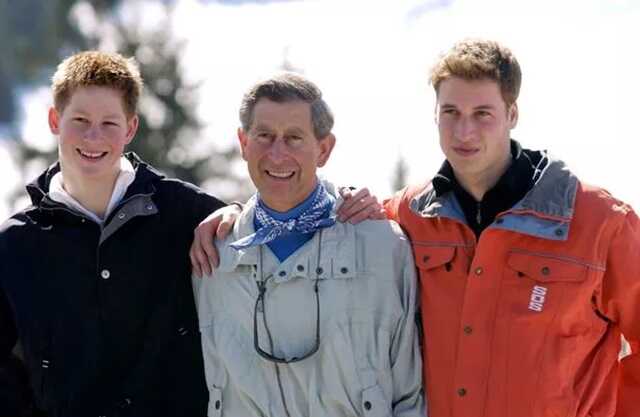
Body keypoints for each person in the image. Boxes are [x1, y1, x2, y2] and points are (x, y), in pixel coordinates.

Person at [190, 39, 640, 417]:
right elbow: (305, 207)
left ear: (512, 113)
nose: (464, 131)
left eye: (482, 112)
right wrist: (234, 214)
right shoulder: (408, 216)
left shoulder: (600, 223)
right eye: (450, 112)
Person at [0, 51, 225, 417]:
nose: (93, 136)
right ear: (55, 119)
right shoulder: (15, 243)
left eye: (109, 123)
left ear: (131, 128)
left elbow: (266, 232)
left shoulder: (187, 213)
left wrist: (236, 213)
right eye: (80, 120)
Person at [192, 73, 424, 416]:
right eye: (264, 136)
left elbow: (410, 395)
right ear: (243, 142)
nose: (277, 153)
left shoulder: (384, 249)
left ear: (324, 148)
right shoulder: (211, 256)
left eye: (294, 138)